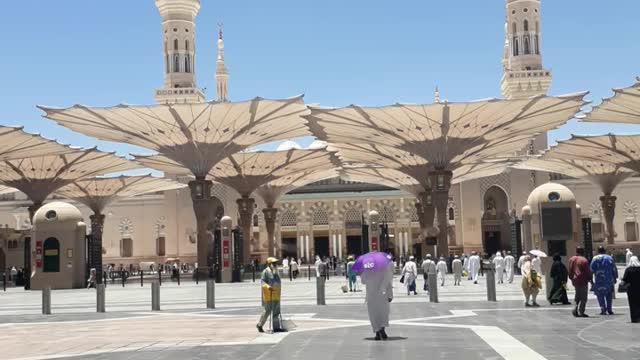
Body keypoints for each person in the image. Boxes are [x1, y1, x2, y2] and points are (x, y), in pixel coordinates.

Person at [361, 259, 394, 340]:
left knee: (373, 313)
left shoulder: (367, 269)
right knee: (383, 312)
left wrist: (361, 273)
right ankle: (382, 329)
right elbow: (388, 281)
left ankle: (377, 331)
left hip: (371, 295)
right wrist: (390, 295)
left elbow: (363, 281)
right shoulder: (384, 267)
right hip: (382, 294)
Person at [257, 257, 285, 333]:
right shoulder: (265, 272)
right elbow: (262, 282)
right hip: (269, 294)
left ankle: (276, 327)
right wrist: (268, 287)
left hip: (276, 294)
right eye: (273, 263)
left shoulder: (276, 272)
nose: (275, 264)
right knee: (267, 311)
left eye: (276, 263)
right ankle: (259, 325)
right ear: (269, 264)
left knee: (276, 311)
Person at [590, 246, 618, 315]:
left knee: (600, 296)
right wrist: (615, 278)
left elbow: (591, 270)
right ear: (604, 250)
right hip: (608, 280)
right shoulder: (609, 258)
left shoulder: (595, 258)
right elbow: (614, 268)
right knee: (609, 295)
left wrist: (591, 280)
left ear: (598, 251)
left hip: (599, 281)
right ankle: (609, 309)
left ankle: (603, 309)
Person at [569, 247, 591, 317]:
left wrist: (571, 278)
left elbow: (570, 270)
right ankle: (581, 311)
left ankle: (574, 309)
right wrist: (590, 278)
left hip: (575, 280)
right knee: (583, 297)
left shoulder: (571, 259)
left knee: (577, 296)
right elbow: (587, 271)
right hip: (583, 280)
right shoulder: (584, 260)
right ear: (583, 252)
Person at [622, 256, 640, 323]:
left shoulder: (628, 269)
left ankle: (634, 318)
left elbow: (625, 279)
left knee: (632, 304)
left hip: (631, 289)